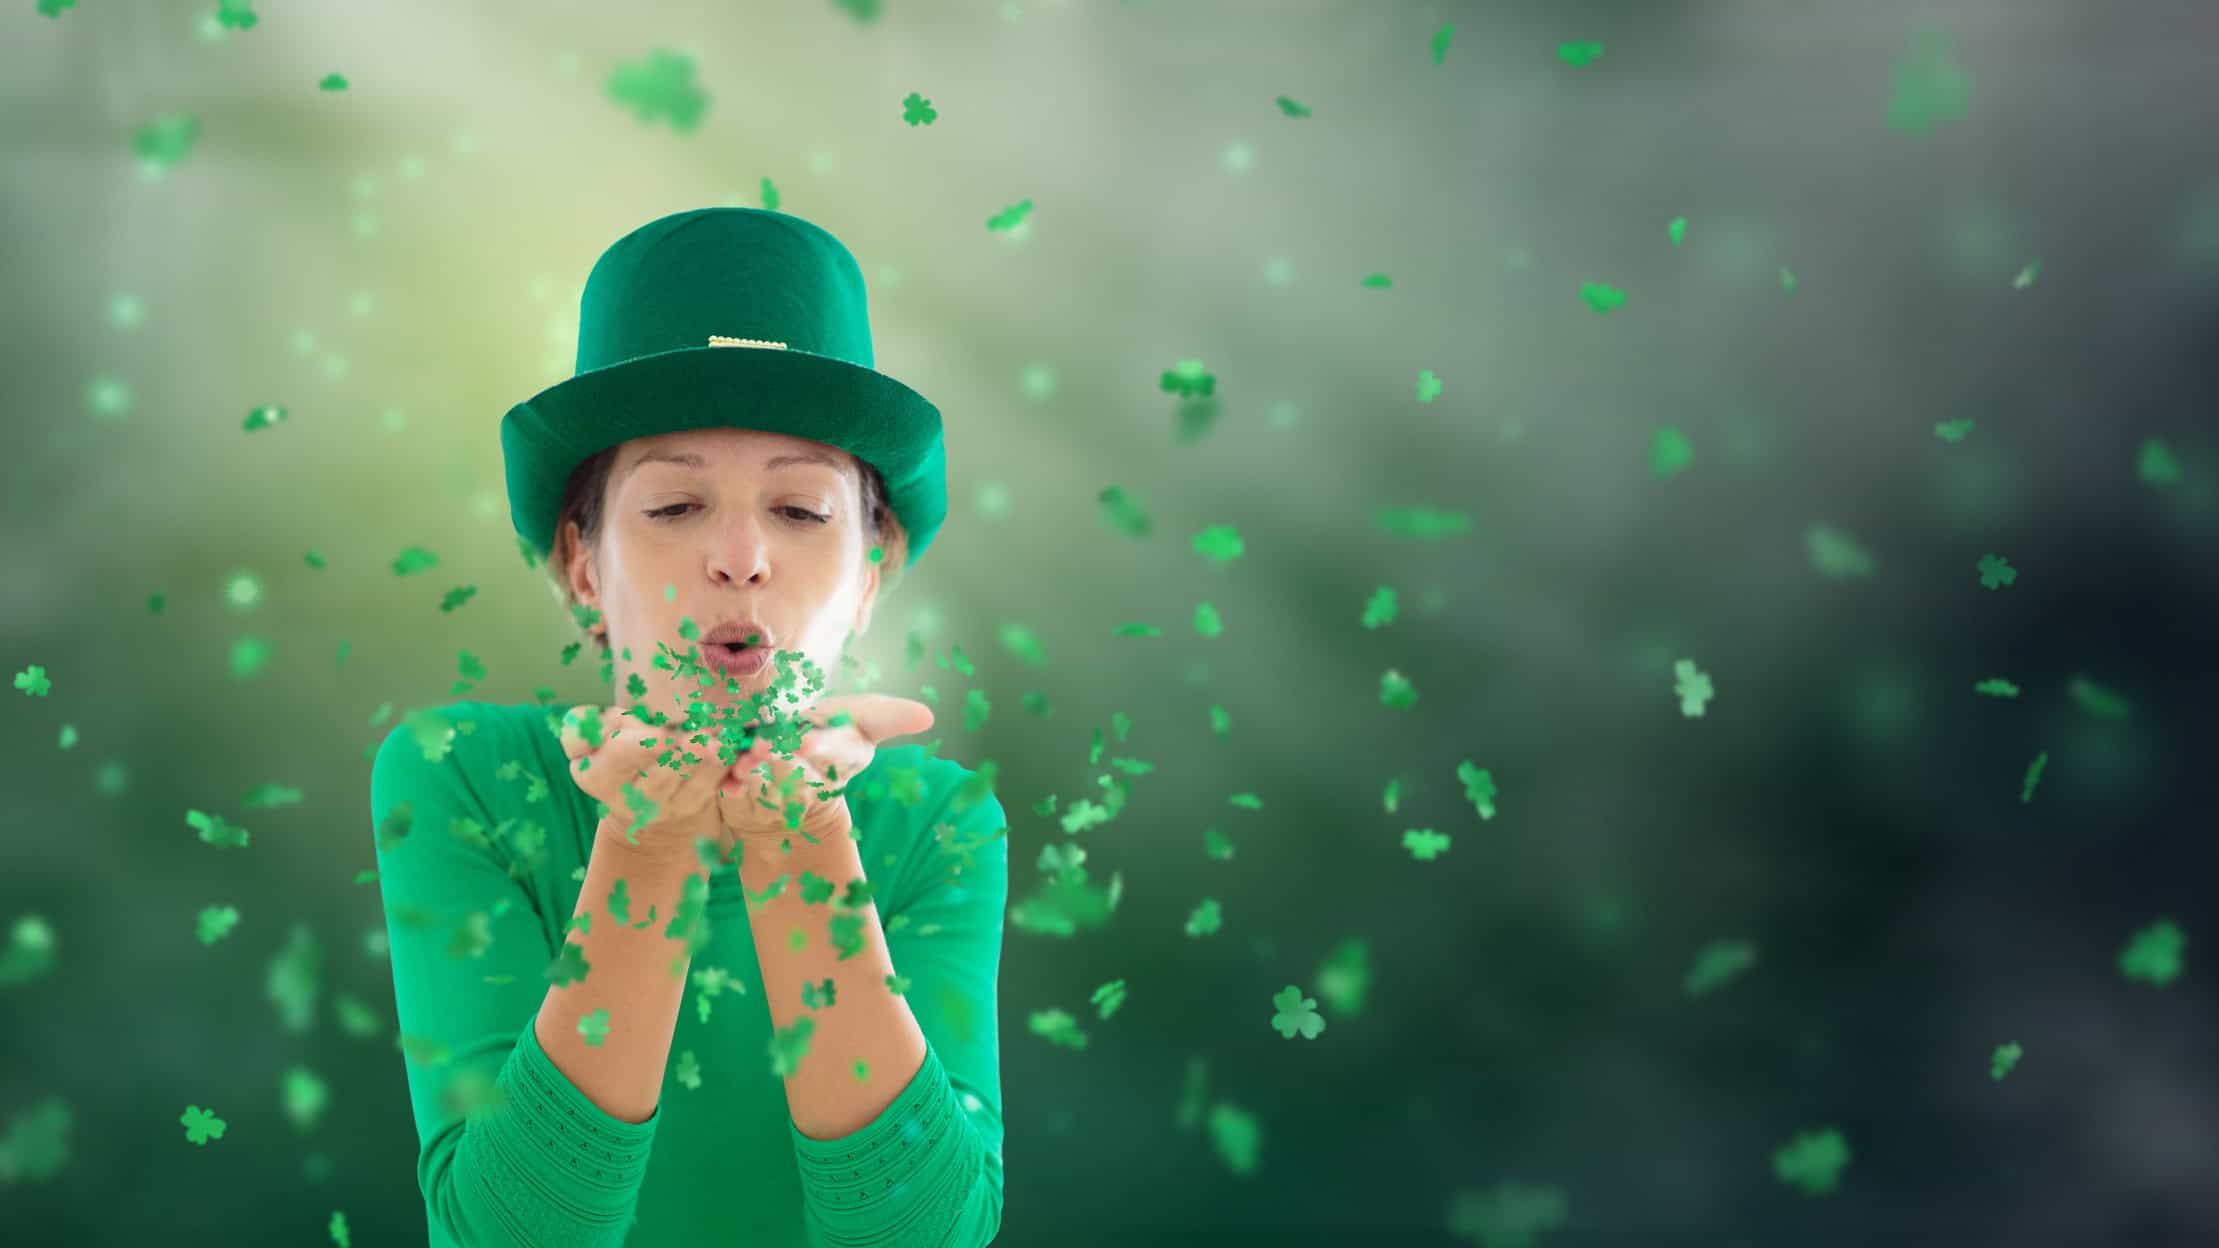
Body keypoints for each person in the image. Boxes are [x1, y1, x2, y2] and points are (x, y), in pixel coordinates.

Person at [368, 207, 1008, 1247]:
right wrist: (648, 844)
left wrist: (804, 848)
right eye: (673, 509)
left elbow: (929, 1234)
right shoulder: (464, 778)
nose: (741, 559)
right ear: (584, 565)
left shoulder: (939, 823)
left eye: (801, 511)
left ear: (870, 573)